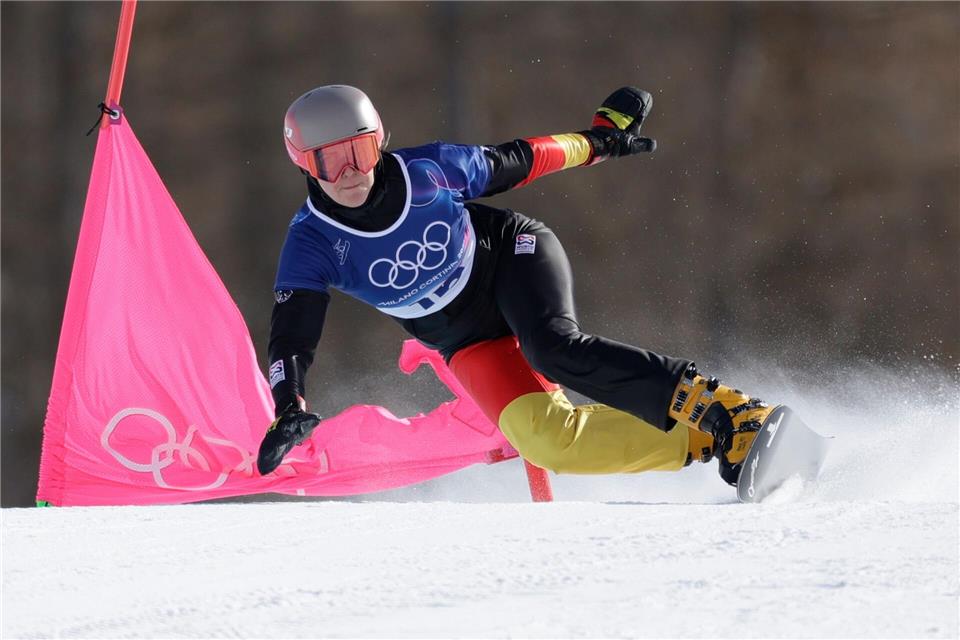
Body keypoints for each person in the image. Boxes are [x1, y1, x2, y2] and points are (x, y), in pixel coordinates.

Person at [257, 84, 776, 489]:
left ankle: (730, 408)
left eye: (362, 151)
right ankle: (710, 437)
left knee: (554, 349)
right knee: (547, 441)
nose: (351, 172)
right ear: (303, 162)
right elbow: (292, 338)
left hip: (510, 257)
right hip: (465, 338)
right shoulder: (311, 243)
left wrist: (596, 142)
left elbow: (523, 158)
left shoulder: (428, 171)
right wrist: (288, 407)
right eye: (330, 159)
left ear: (380, 142)